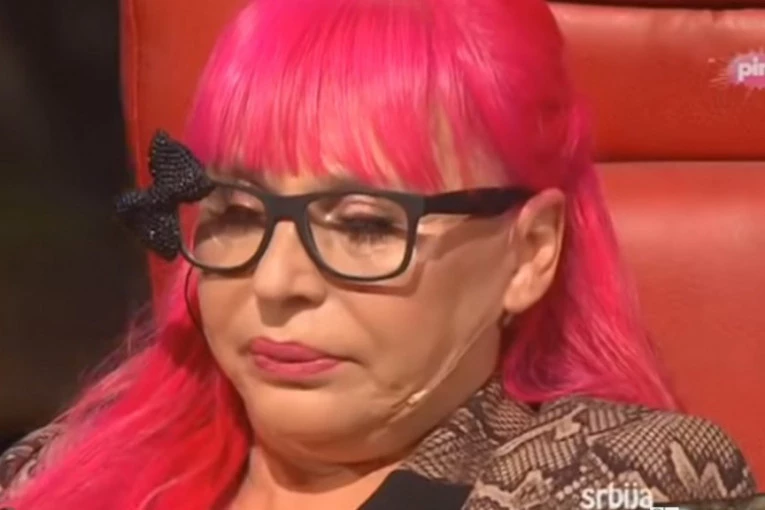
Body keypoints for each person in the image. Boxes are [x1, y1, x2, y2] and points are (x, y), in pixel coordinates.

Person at [0, 0, 758, 509]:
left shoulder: (621, 481)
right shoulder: (55, 470)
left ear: (529, 251)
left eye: (362, 226)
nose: (276, 282)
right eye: (236, 213)